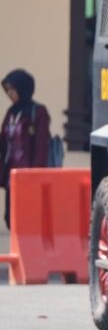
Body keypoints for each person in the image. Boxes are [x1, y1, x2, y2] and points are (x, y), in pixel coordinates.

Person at [1, 70, 51, 228]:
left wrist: (35, 174)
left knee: (28, 218)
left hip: (29, 174)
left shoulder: (38, 112)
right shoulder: (11, 112)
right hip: (12, 175)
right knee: (11, 218)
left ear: (23, 88)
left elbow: (41, 147)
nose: (9, 93)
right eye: (7, 90)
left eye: (12, 89)